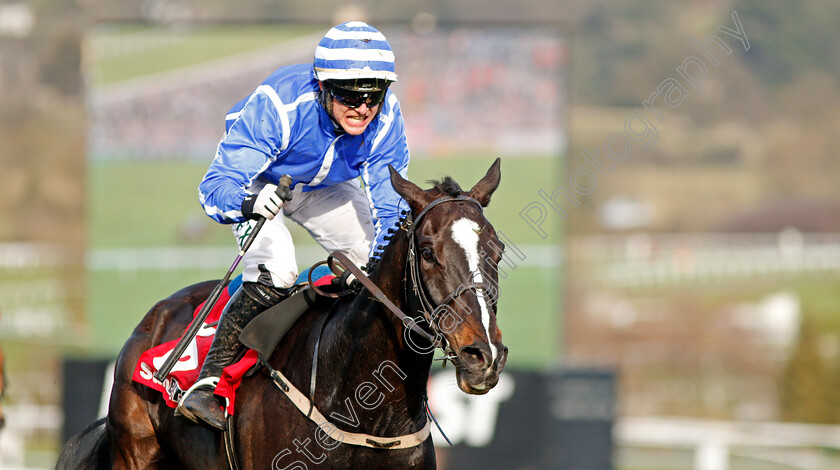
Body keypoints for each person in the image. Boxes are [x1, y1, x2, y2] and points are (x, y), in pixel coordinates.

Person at [177, 21, 409, 430]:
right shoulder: (279, 105)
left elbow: (390, 212)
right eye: (350, 95)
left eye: (374, 95)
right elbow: (215, 189)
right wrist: (248, 201)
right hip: (257, 180)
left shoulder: (386, 119)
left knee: (377, 261)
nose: (364, 108)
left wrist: (383, 259)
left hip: (323, 186)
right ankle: (207, 379)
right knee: (278, 267)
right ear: (322, 86)